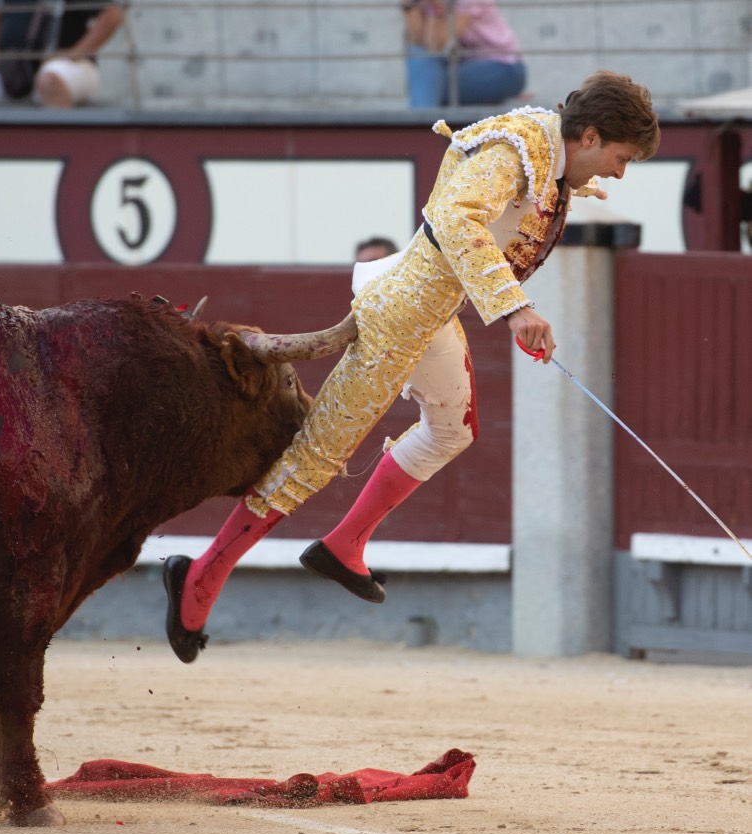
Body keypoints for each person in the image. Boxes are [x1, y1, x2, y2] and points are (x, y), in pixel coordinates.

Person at [163, 70, 660, 664]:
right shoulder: (515, 150)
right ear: (591, 135)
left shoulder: (544, 150)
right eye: (621, 157)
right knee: (313, 459)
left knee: (454, 429)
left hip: (431, 314)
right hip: (398, 316)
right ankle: (199, 578)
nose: (619, 173)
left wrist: (512, 306)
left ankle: (346, 545)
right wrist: (515, 309)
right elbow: (456, 218)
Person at [0, 0, 124, 108]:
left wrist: (75, 53)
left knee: (51, 80)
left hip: (68, 66)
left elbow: (113, 15)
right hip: (13, 67)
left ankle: (59, 154)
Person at [404, 0, 526, 107]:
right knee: (420, 58)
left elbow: (438, 44)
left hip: (504, 67)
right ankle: (424, 122)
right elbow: (417, 40)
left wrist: (434, 8)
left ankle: (423, 124)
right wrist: (409, 5)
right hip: (466, 65)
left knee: (427, 84)